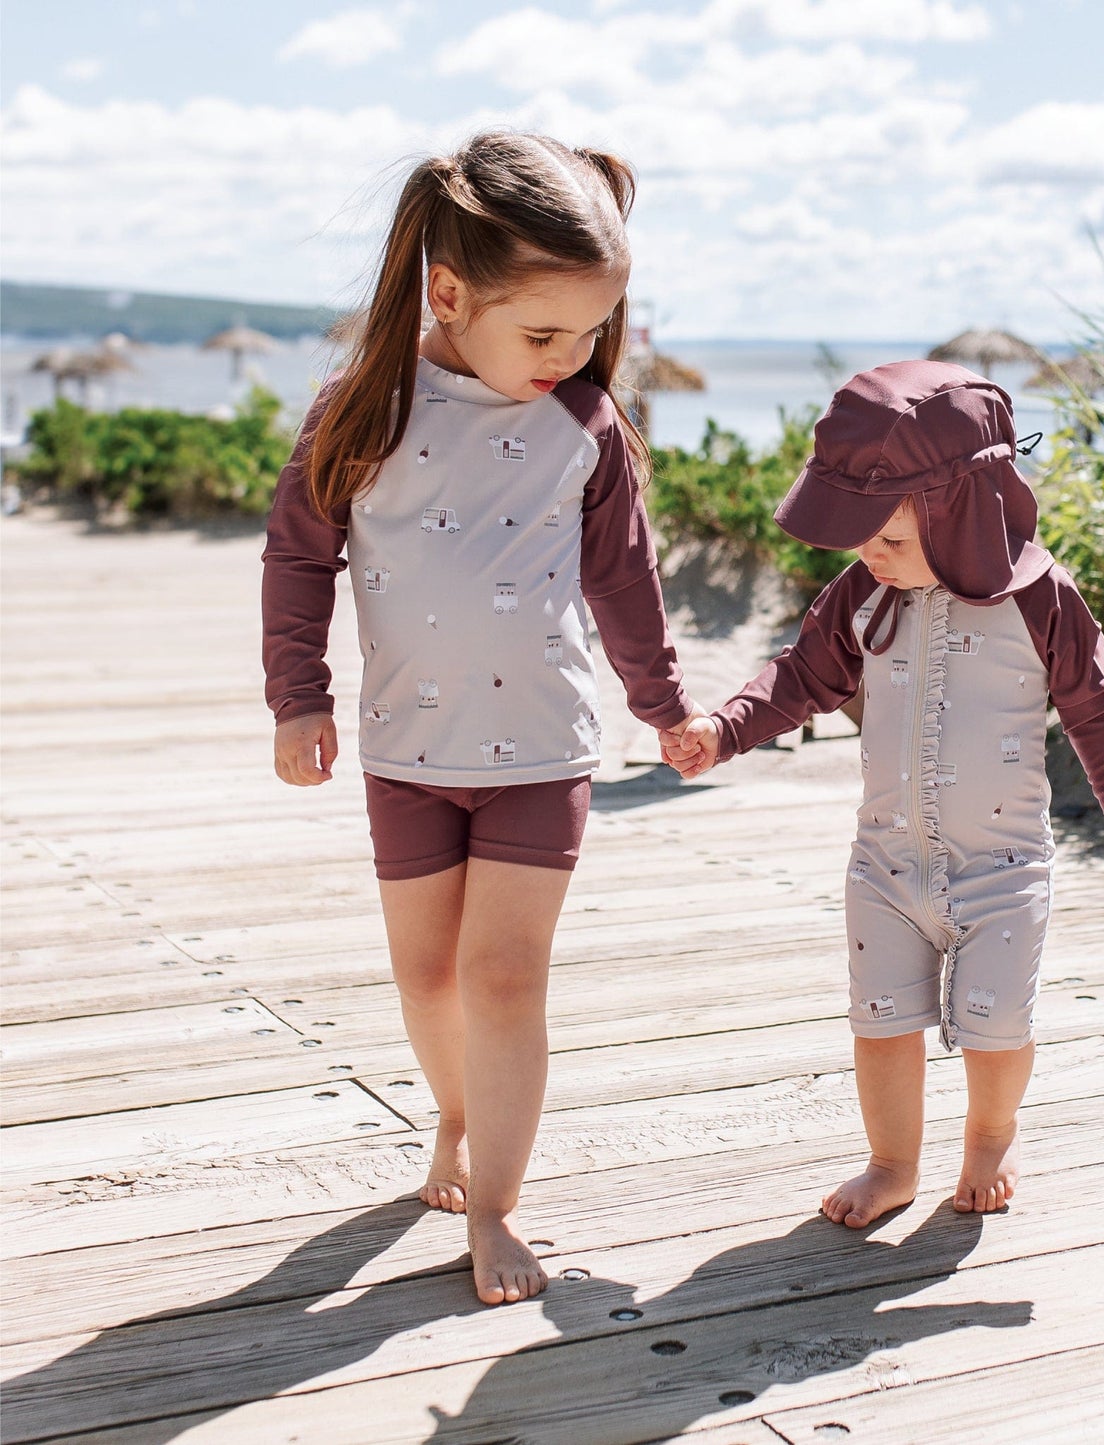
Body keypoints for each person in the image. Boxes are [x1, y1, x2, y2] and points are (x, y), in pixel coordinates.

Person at [262, 132, 698, 1305]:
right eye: (544, 334)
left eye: (590, 335)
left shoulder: (580, 430)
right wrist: (297, 693)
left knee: (503, 976)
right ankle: (452, 1119)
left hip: (542, 751)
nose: (571, 358)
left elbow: (624, 581)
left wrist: (662, 706)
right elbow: (298, 558)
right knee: (426, 972)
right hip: (405, 751)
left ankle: (497, 1205)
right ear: (447, 294)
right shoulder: (360, 411)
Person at [662, 361, 1104, 1228]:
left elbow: (1093, 700)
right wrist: (725, 727)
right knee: (879, 1024)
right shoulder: (865, 594)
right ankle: (891, 1162)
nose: (870, 556)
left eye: (888, 539)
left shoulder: (1039, 598)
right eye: (860, 540)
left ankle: (989, 1137)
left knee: (997, 1027)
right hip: (886, 866)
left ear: (959, 509)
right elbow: (802, 676)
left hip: (1001, 868)